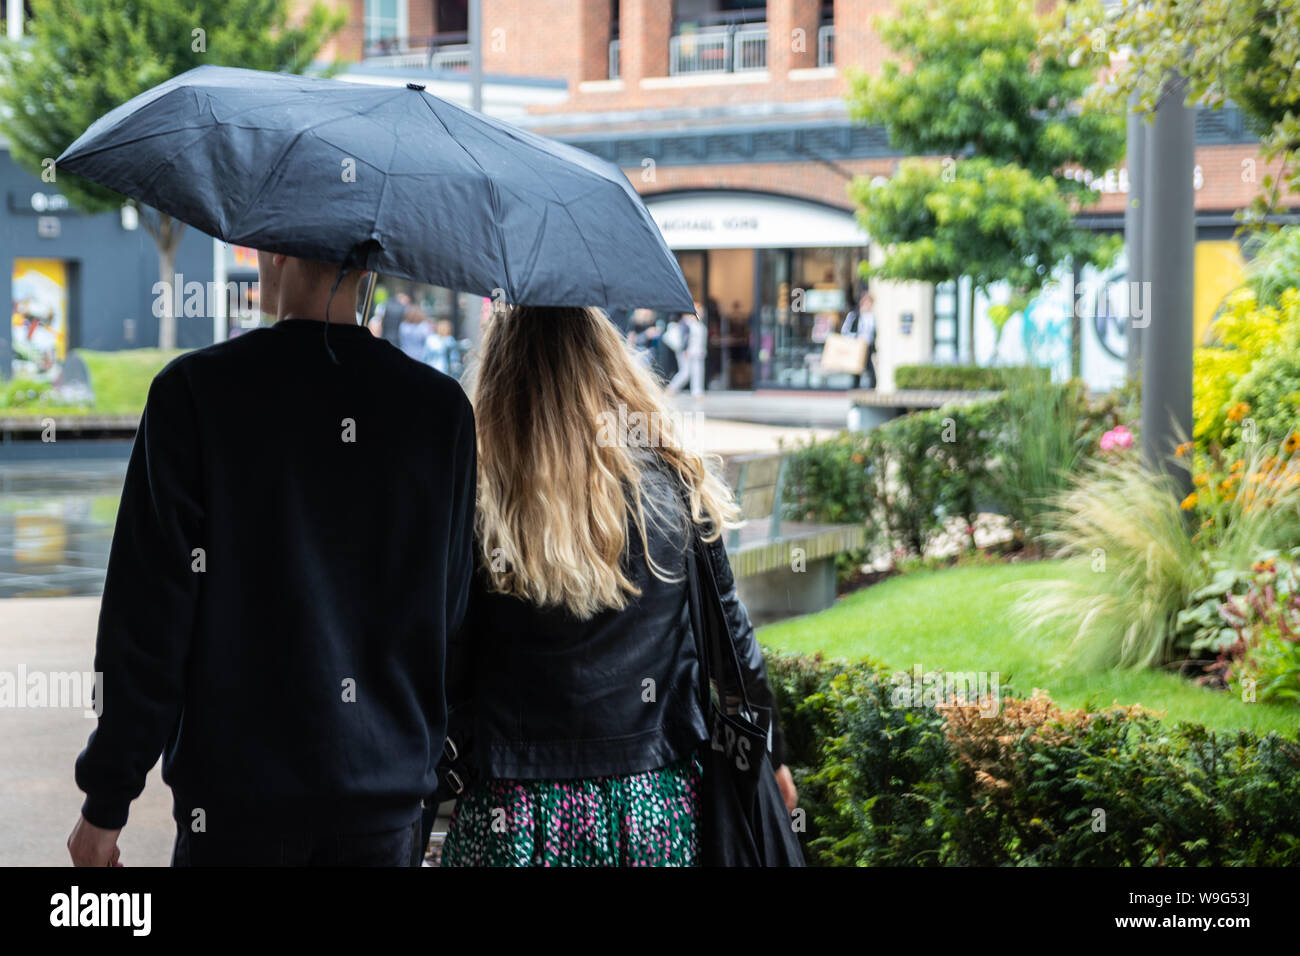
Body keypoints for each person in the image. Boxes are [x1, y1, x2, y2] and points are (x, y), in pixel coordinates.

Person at [67, 251, 477, 867]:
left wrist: (107, 799)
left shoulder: (195, 394)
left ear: (275, 251)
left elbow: (148, 619)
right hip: (383, 807)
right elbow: (450, 617)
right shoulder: (440, 410)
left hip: (233, 810)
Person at [437, 305, 796, 867]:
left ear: (502, 380)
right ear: (611, 363)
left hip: (516, 807)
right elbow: (731, 638)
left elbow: (447, 660)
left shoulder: (483, 501)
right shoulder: (674, 484)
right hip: (655, 799)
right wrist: (770, 755)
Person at [666, 303, 707, 399]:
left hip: (697, 352)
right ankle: (672, 388)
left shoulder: (697, 323)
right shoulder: (686, 323)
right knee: (685, 372)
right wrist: (685, 349)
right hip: (687, 352)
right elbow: (684, 337)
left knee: (697, 372)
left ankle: (697, 392)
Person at [842, 290, 877, 389]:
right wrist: (856, 338)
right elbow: (845, 331)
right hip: (857, 347)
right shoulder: (854, 316)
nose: (869, 306)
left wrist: (874, 351)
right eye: (867, 303)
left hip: (867, 347)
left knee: (871, 375)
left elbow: (873, 335)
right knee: (856, 373)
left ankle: (870, 396)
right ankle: (855, 395)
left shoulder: (872, 317)